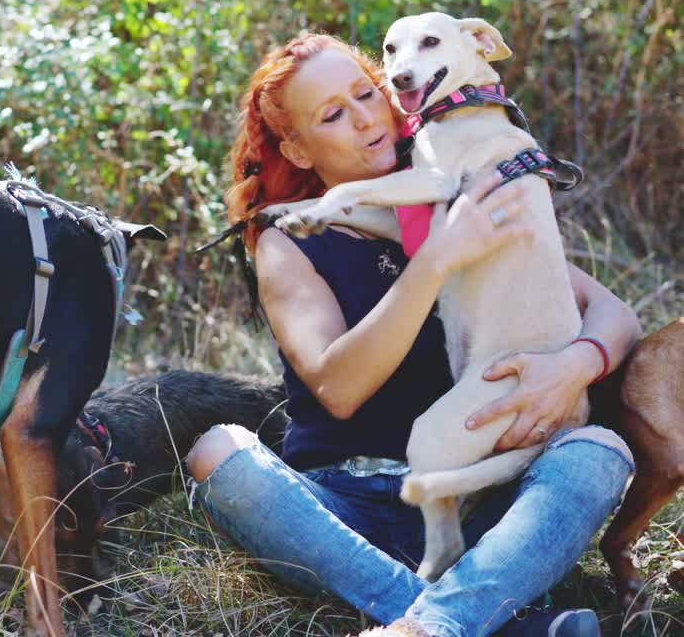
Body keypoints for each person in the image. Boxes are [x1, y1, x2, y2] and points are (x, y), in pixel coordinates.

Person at [184, 33, 642, 637]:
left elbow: (615, 313)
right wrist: (434, 263)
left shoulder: (451, 186)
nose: (365, 119)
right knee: (218, 452)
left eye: (366, 94)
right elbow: (339, 386)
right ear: (295, 148)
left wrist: (576, 366)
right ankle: (484, 621)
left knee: (599, 455)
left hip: (476, 504)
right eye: (332, 115)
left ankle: (433, 623)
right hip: (339, 512)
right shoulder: (287, 240)